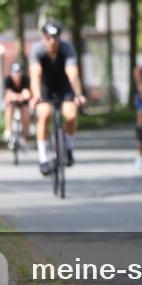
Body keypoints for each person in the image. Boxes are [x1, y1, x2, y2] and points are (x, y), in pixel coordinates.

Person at [29, 20, 87, 176]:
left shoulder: (67, 48)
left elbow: (72, 73)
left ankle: (68, 148)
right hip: (45, 88)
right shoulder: (37, 50)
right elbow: (35, 75)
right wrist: (36, 96)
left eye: (55, 37)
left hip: (64, 86)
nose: (52, 41)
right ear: (43, 37)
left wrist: (78, 94)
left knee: (71, 114)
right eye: (48, 37)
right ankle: (43, 158)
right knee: (44, 114)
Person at [3, 61, 32, 144]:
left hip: (23, 103)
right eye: (15, 73)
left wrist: (23, 96)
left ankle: (25, 134)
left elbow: (27, 93)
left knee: (26, 112)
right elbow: (8, 94)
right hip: (12, 102)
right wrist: (16, 96)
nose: (17, 76)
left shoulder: (26, 79)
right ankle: (8, 130)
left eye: (18, 73)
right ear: (11, 73)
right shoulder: (7, 80)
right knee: (9, 108)